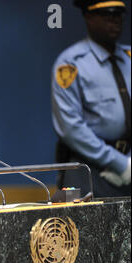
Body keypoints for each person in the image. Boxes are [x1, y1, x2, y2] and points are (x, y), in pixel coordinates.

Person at [51, 0, 131, 198]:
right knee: (85, 228)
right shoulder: (71, 63)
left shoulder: (129, 58)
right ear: (88, 17)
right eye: (107, 14)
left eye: (119, 14)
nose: (115, 21)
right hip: (89, 170)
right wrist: (119, 163)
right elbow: (71, 128)